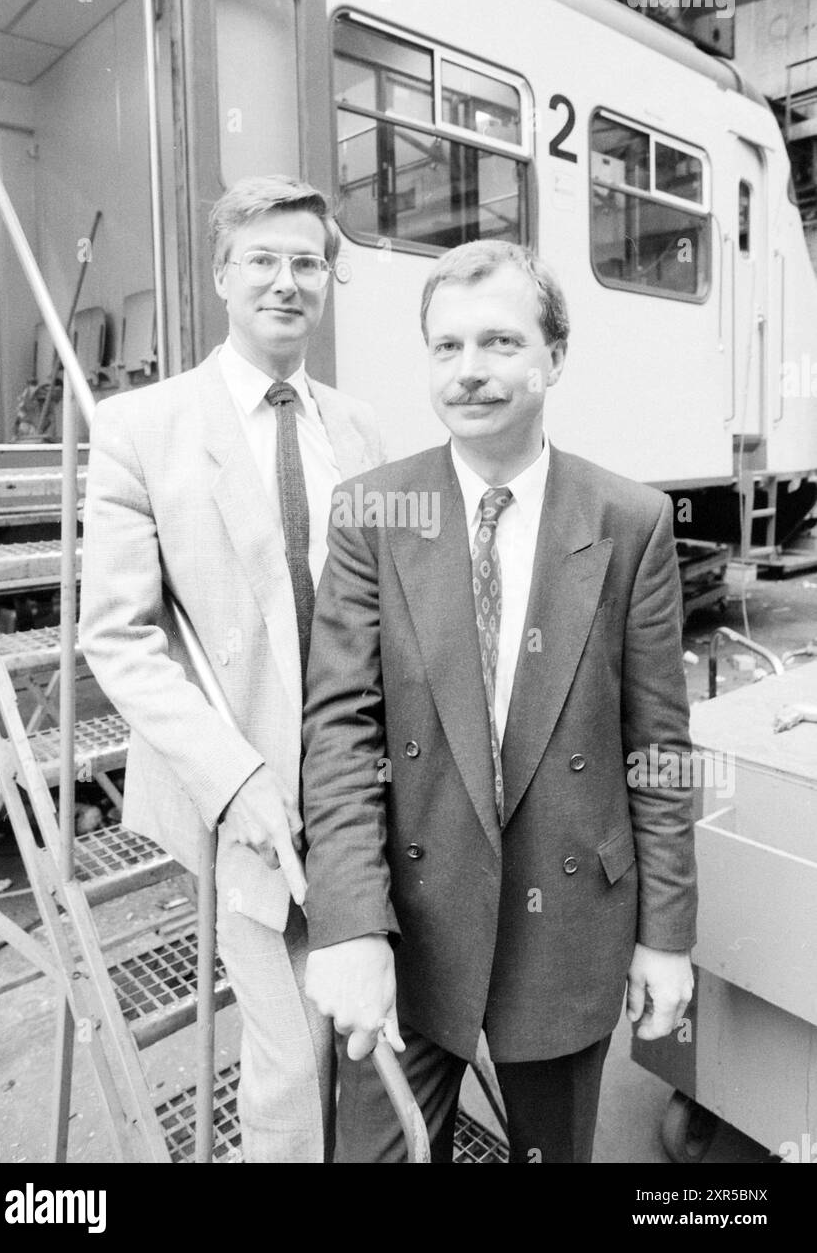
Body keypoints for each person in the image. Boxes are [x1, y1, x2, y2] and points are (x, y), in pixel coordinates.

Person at [301, 240, 696, 1164]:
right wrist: (351, 925)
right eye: (447, 348)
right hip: (409, 930)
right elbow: (341, 732)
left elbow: (660, 748)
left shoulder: (628, 520)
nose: (469, 372)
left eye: (499, 343)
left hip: (568, 933)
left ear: (554, 358)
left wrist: (667, 939)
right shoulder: (374, 513)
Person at [79, 174, 383, 1163]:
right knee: (290, 1059)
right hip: (239, 798)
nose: (285, 281)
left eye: (307, 262)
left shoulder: (361, 431)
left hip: (356, 795)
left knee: (364, 1037)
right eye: (262, 259)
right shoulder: (141, 429)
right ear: (221, 274)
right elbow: (117, 635)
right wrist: (236, 779)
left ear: (326, 281)